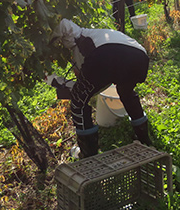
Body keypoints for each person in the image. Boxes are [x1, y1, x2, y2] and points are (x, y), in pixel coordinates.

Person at [52, 18, 151, 158]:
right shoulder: (95, 33)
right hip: (140, 56)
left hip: (105, 56)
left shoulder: (80, 44)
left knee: (78, 101)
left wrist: (56, 82)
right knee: (125, 91)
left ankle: (88, 154)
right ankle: (143, 138)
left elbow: (83, 83)